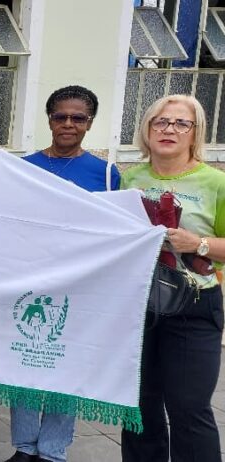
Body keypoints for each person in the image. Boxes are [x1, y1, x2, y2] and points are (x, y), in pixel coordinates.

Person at [8, 85, 118, 462]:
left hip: (79, 286)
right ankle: (24, 447)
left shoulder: (105, 174)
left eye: (78, 118)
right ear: (49, 119)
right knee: (23, 360)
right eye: (60, 116)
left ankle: (52, 451)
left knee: (65, 367)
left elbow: (113, 233)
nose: (68, 124)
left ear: (89, 123)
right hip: (28, 280)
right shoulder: (23, 167)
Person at [120, 94, 225, 462]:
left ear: (195, 133)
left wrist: (197, 243)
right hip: (139, 307)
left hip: (194, 308)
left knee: (189, 409)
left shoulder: (215, 182)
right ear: (146, 131)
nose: (169, 130)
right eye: (160, 122)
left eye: (181, 123)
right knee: (139, 408)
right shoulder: (130, 178)